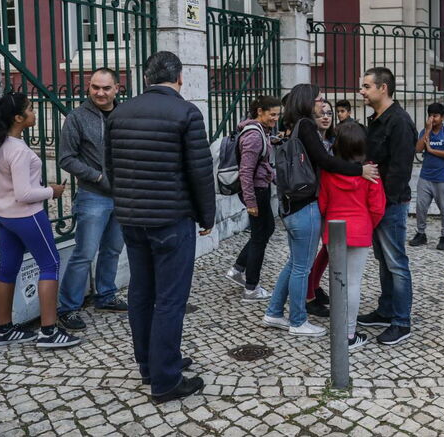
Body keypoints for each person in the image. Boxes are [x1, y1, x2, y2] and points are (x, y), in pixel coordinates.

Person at [106, 51, 215, 403]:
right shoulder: (186, 112)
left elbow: (111, 166)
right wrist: (207, 215)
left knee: (142, 292)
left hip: (132, 217)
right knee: (170, 299)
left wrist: (125, 204)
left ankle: (150, 363)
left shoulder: (120, 112)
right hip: (171, 218)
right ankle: (166, 380)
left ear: (146, 76)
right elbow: (199, 171)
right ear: (179, 78)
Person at [263, 84, 379, 337]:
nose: (322, 102)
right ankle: (297, 321)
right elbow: (325, 161)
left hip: (292, 206)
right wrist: (359, 170)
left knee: (293, 263)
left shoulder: (295, 126)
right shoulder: (305, 125)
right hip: (305, 206)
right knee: (302, 268)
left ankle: (273, 312)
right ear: (307, 101)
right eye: (318, 99)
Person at [0, 92, 80, 350]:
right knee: (50, 264)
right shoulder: (18, 150)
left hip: (3, 215)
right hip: (27, 216)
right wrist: (51, 191)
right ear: (19, 118)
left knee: (8, 267)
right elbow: (23, 194)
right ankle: (49, 331)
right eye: (31, 109)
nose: (34, 113)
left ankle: (2, 329)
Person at [56, 68, 127, 331]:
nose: (99, 92)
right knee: (84, 254)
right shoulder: (76, 117)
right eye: (95, 87)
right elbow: (66, 158)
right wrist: (97, 177)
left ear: (116, 88)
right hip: (93, 195)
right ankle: (68, 308)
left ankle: (106, 296)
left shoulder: (124, 114)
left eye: (106, 88)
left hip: (122, 195)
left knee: (113, 250)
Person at [357, 67, 418, 346]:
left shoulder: (400, 122)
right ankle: (386, 310)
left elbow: (400, 169)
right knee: (384, 260)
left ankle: (401, 322)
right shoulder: (377, 119)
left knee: (396, 262)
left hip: (390, 203)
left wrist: (383, 203)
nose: (362, 91)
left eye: (367, 86)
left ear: (383, 88)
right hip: (376, 202)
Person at [318, 122, 387, 351]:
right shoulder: (369, 172)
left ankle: (338, 329)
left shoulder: (329, 171)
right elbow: (377, 208)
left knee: (337, 283)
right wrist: (367, 224)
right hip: (359, 230)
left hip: (333, 231)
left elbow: (323, 204)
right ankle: (348, 333)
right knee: (353, 283)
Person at [225, 95, 281, 301]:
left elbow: (262, 165)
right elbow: (246, 172)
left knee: (267, 229)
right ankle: (251, 287)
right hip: (256, 192)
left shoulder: (261, 132)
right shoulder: (254, 136)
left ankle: (238, 269)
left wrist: (275, 180)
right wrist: (250, 203)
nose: (276, 119)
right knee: (260, 236)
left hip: (261, 188)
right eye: (272, 114)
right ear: (260, 112)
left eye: (278, 114)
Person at [410, 102, 444, 251]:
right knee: (420, 207)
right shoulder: (425, 132)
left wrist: (431, 150)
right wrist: (427, 131)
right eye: (430, 115)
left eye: (436, 116)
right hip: (426, 176)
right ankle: (421, 233)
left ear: (442, 117)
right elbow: (418, 149)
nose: (432, 118)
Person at [305, 99, 338, 318]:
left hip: (333, 199)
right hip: (314, 198)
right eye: (320, 114)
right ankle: (309, 297)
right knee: (309, 252)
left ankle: (314, 285)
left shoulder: (335, 140)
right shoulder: (312, 141)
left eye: (328, 113)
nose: (325, 117)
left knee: (328, 246)